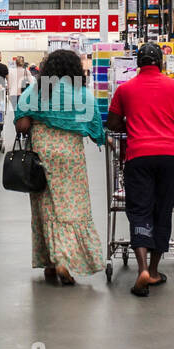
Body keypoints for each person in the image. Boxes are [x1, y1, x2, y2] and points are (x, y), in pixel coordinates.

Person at [105, 41, 174, 297]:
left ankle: (141, 269)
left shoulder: (125, 89)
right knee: (162, 212)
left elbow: (112, 123)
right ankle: (153, 271)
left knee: (140, 211)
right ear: (161, 63)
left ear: (138, 64)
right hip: (169, 158)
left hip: (138, 158)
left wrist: (131, 125)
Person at [14, 49, 105, 285]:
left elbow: (22, 126)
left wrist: (37, 118)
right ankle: (66, 260)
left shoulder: (35, 91)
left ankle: (53, 263)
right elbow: (96, 131)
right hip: (71, 154)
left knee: (46, 208)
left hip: (43, 154)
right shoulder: (82, 94)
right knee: (72, 207)